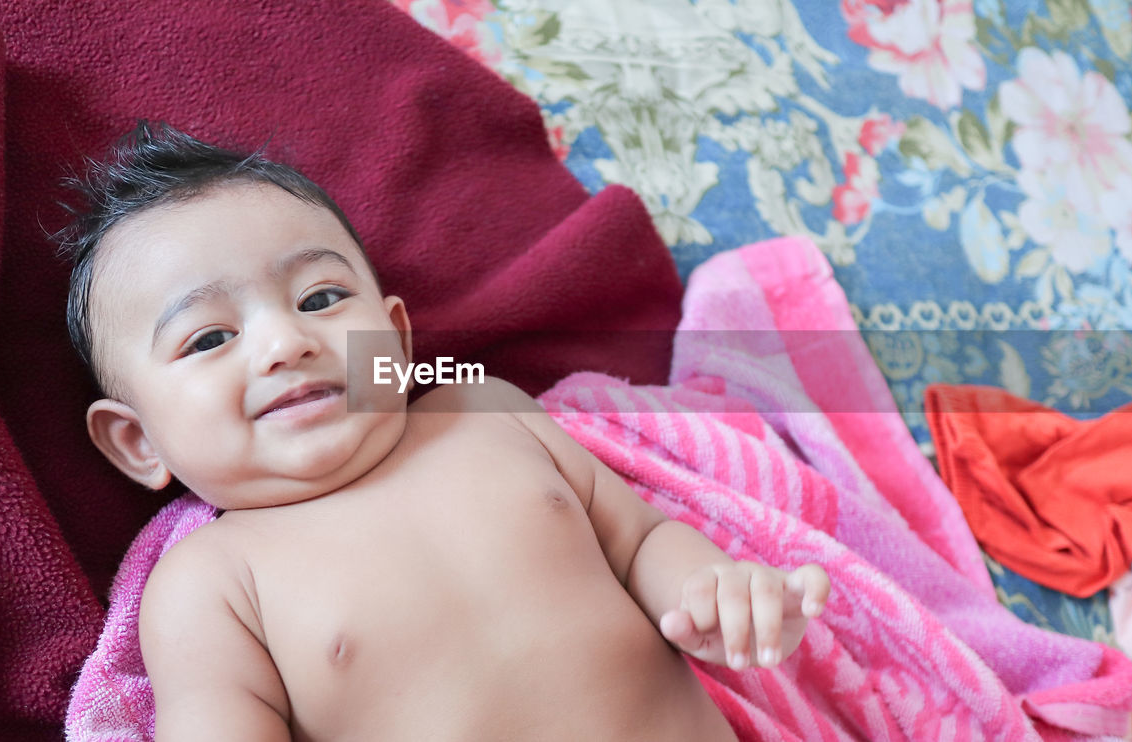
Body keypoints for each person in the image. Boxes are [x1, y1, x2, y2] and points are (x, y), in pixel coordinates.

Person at [57, 121, 831, 741]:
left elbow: (639, 540)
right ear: (139, 442)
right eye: (208, 339)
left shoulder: (487, 414)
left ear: (394, 342)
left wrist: (714, 593)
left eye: (321, 298)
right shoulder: (212, 583)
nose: (284, 344)